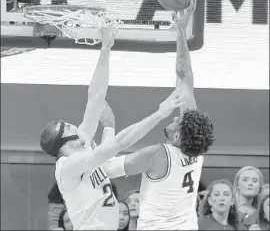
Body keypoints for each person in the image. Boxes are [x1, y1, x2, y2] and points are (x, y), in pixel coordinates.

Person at [40, 24, 184, 230]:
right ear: (63, 143)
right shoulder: (67, 167)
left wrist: (106, 48)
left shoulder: (81, 143)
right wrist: (160, 113)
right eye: (68, 127)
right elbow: (120, 142)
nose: (74, 125)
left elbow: (96, 96)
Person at [103, 0, 215, 230]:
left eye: (177, 121)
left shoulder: (157, 155)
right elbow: (184, 77)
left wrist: (108, 129)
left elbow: (106, 169)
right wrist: (181, 33)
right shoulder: (196, 148)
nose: (175, 117)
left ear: (176, 138)